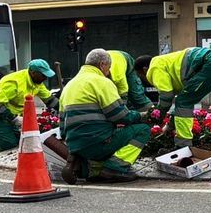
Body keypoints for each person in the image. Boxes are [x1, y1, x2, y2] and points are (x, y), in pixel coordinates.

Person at [58, 49, 151, 184]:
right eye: (109, 67)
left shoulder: (69, 85)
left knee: (93, 147)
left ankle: (84, 165)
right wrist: (141, 116)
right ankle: (115, 168)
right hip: (98, 142)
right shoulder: (102, 82)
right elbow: (120, 116)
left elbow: (62, 127)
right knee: (142, 129)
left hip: (74, 144)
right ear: (102, 64)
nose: (109, 71)